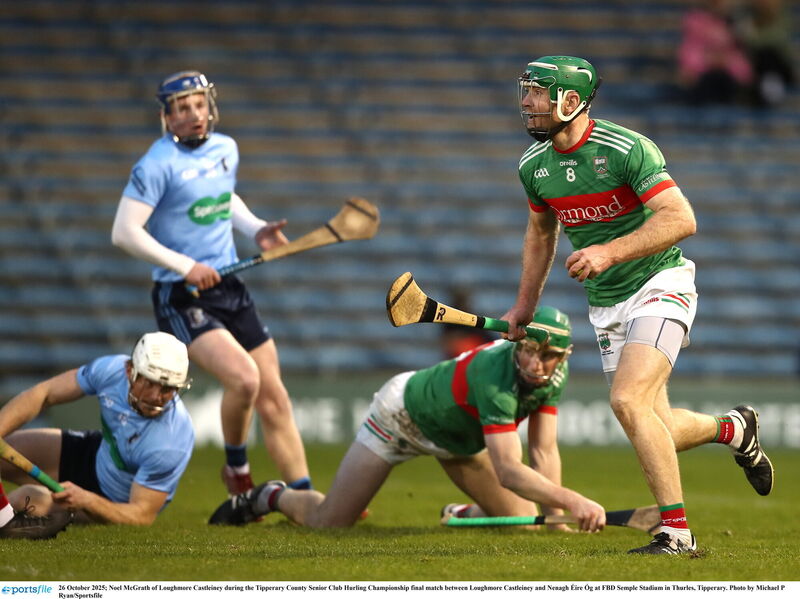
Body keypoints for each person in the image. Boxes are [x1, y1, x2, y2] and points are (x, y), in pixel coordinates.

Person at [502, 55, 774, 554]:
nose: (527, 101)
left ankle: (676, 534)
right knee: (658, 424)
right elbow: (541, 235)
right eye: (525, 91)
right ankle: (735, 429)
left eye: (538, 92)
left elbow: (681, 218)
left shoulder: (626, 147)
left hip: (661, 281)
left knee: (626, 400)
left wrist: (608, 251)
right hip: (607, 304)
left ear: (570, 99)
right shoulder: (532, 166)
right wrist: (524, 306)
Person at [208, 307, 607, 533]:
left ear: (563, 356)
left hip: (457, 443)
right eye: (530, 351)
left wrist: (556, 520)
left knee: (525, 525)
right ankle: (269, 496)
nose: (537, 363)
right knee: (330, 524)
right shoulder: (495, 375)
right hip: (400, 419)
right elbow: (508, 469)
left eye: (549, 355)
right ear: (517, 343)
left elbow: (543, 448)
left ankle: (460, 514)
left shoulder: (553, 375)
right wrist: (573, 501)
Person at [111, 71, 312, 497]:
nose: (194, 114)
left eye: (199, 104)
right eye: (183, 108)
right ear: (167, 115)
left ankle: (306, 494)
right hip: (182, 295)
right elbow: (125, 232)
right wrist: (186, 266)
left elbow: (223, 198)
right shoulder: (155, 165)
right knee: (244, 379)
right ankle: (237, 471)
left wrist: (256, 229)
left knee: (274, 394)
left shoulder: (226, 149)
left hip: (229, 284)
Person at [0, 332, 194, 529]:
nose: (155, 396)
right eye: (149, 382)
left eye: (166, 389)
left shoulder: (172, 442)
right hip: (96, 453)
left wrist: (87, 500)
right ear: (129, 370)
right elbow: (45, 393)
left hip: (110, 500)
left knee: (23, 501)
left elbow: (141, 514)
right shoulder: (112, 370)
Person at [677, 0, 753, 105]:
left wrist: (727, 62)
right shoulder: (696, 22)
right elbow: (689, 57)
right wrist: (710, 61)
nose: (719, 4)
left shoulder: (736, 24)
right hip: (703, 80)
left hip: (729, 80)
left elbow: (744, 68)